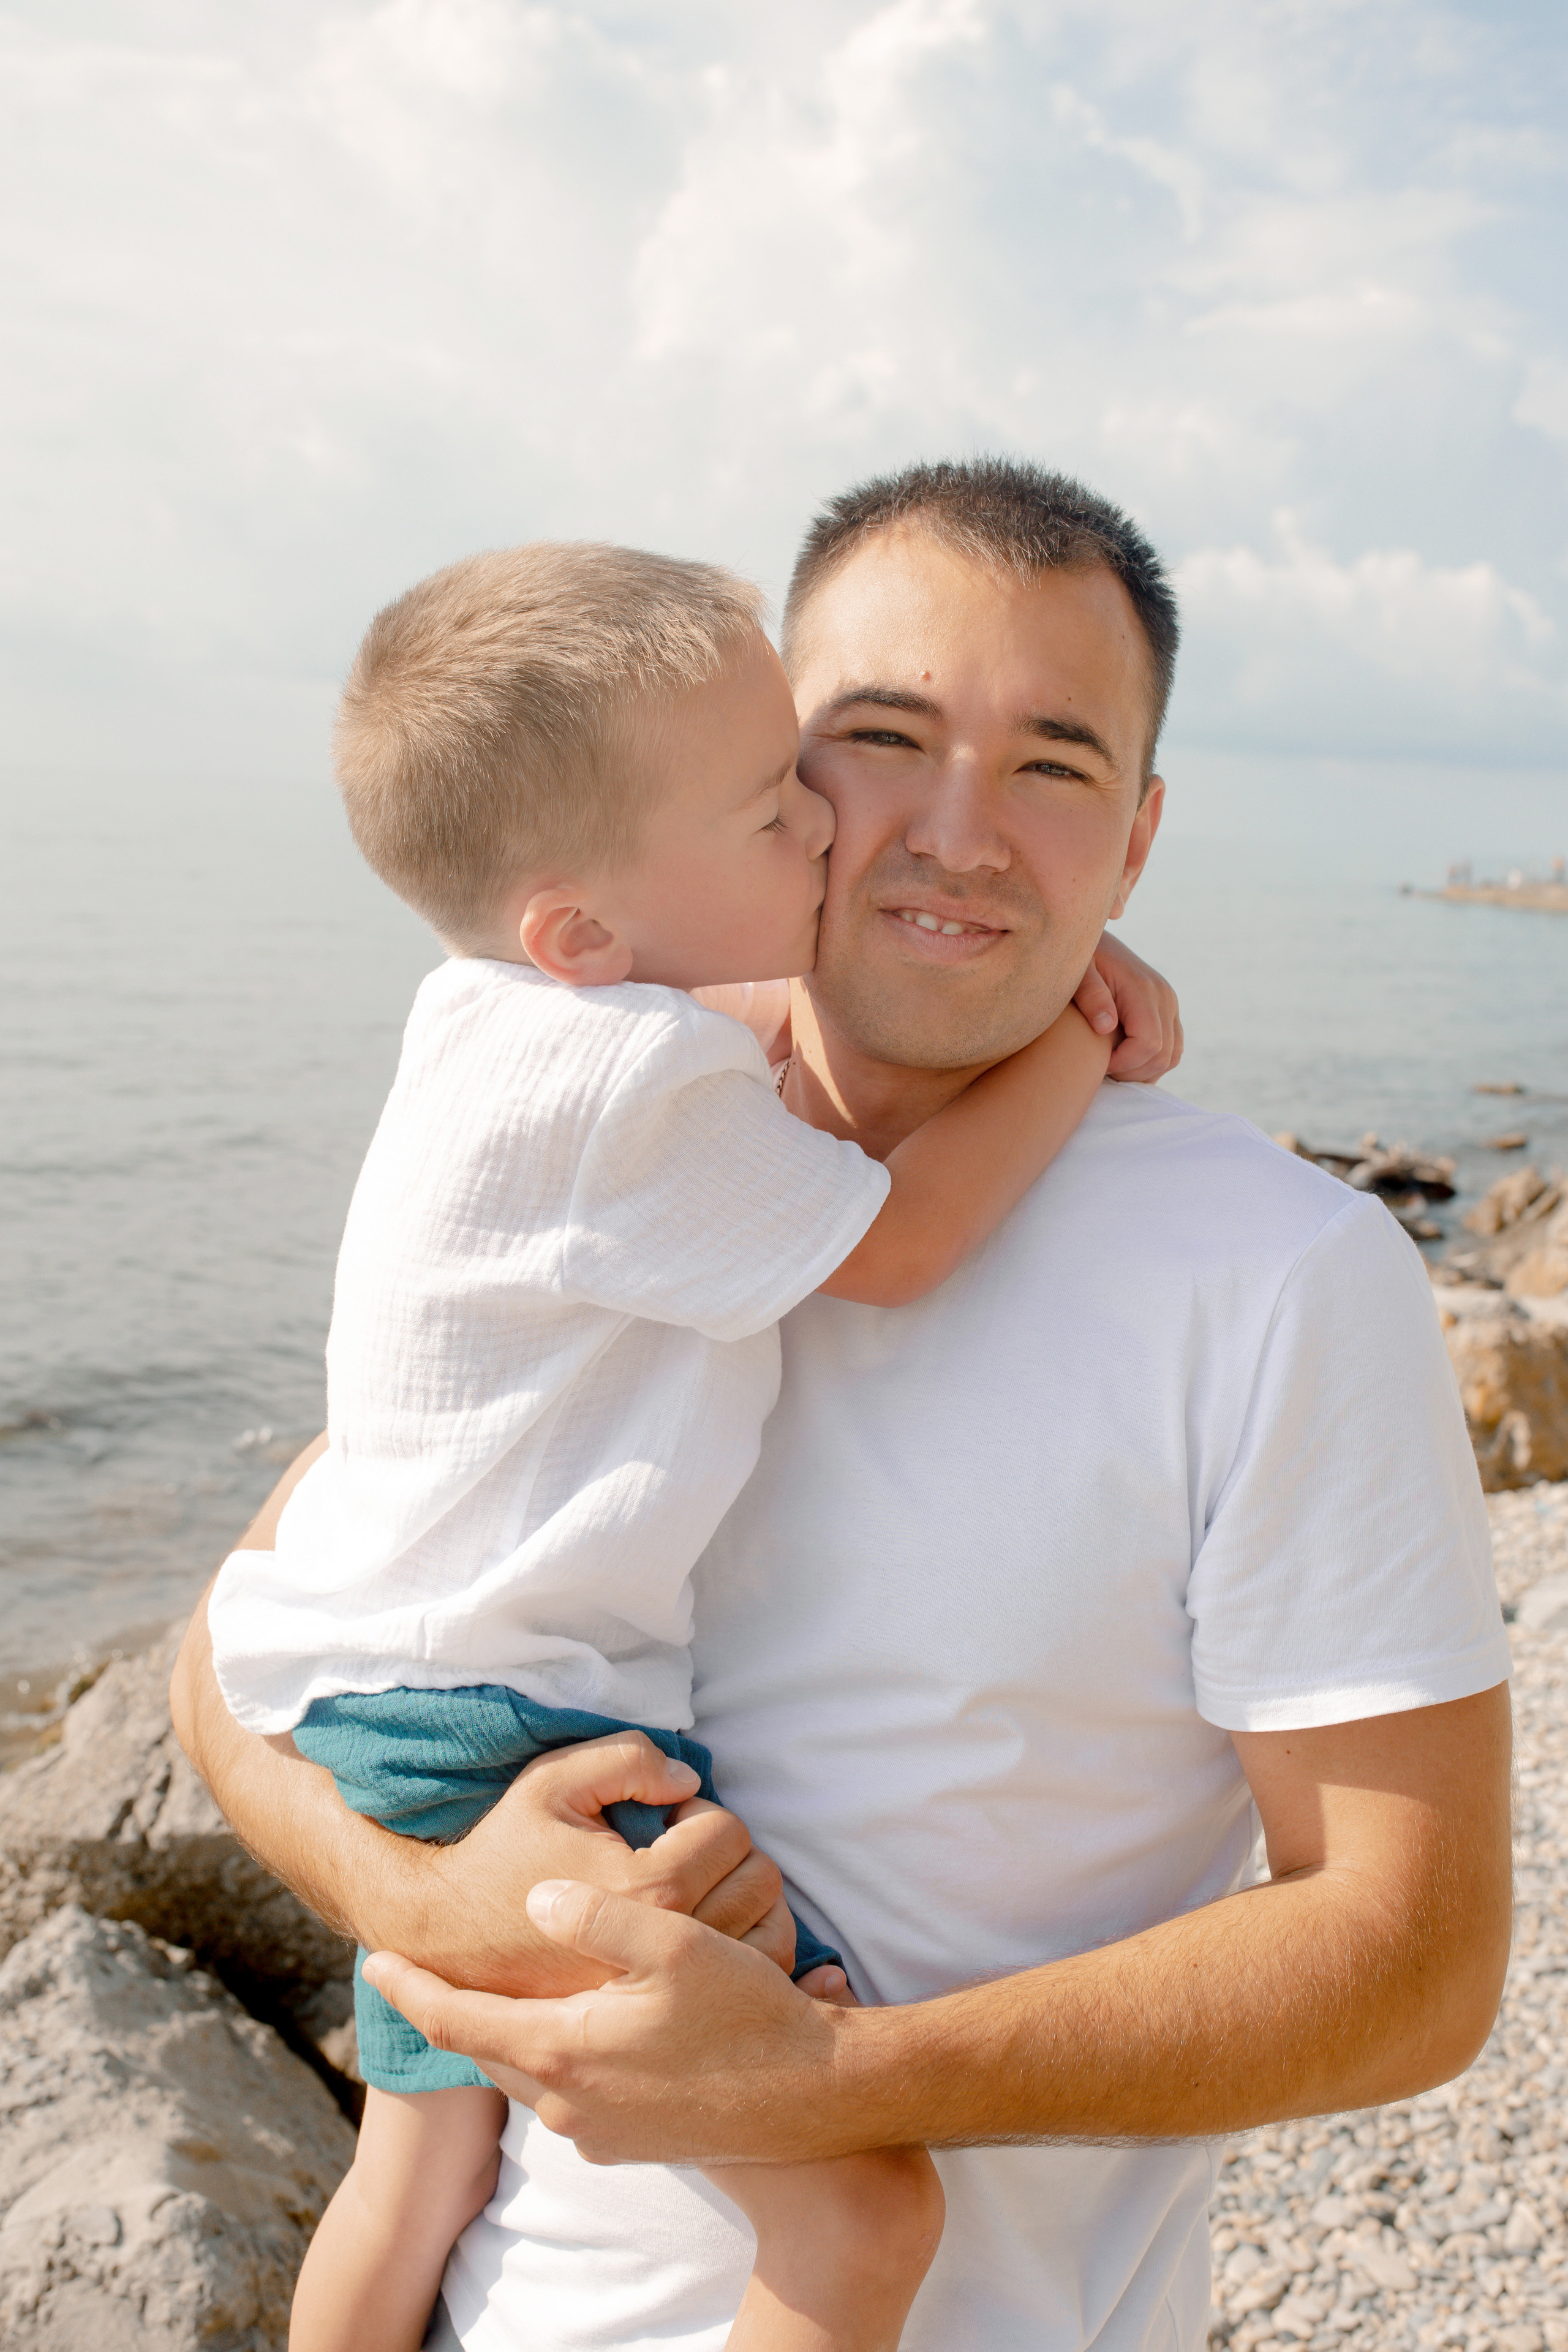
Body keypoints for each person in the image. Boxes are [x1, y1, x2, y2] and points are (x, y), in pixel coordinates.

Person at [173, 458, 1512, 2352]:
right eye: (880, 737)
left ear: (1133, 842)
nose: (959, 833)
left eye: (1053, 765)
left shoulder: (1283, 1275)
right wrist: (447, 1890)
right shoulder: (621, 1158)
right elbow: (232, 1644)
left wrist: (833, 2079)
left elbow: (1417, 1966)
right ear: (761, 774)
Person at [203, 537, 1167, 2352]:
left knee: (417, 2169)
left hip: (391, 1694)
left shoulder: (499, 1018)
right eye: (770, 811)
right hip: (527, 1731)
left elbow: (725, 1013)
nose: (824, 831)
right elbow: (899, 1241)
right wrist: (1068, 1030)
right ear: (585, 927)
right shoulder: (635, 1090)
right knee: (865, 2207)